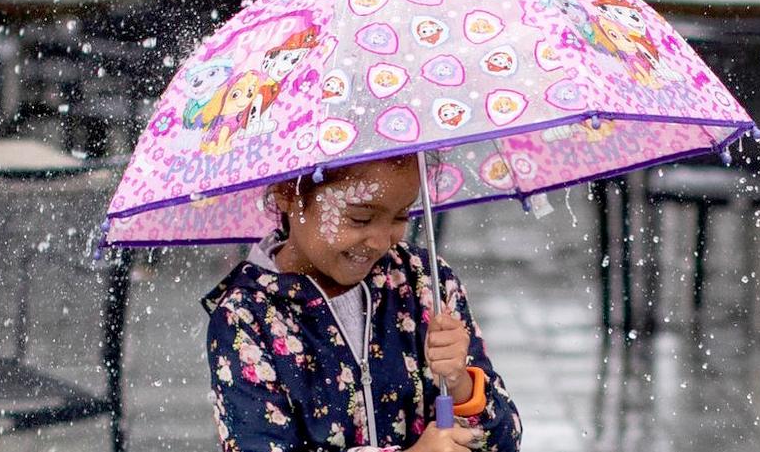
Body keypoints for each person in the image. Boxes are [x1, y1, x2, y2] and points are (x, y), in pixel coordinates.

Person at [202, 154, 522, 451]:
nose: (382, 242)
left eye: (400, 216)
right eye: (360, 219)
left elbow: (505, 441)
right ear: (288, 192)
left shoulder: (424, 283)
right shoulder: (246, 318)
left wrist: (461, 386)